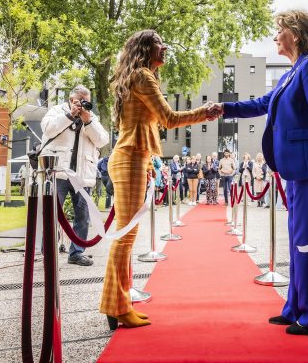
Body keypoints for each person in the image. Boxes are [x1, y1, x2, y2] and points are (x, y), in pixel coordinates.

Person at [208, 10, 308, 336]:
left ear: (294, 34)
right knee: (298, 242)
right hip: (294, 170)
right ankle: (294, 308)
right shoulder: (289, 74)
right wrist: (224, 108)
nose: (274, 37)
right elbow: (261, 103)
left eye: (279, 30)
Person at [100, 29, 218, 330]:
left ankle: (121, 303)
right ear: (145, 48)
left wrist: (148, 162)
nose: (164, 47)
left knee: (126, 235)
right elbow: (169, 119)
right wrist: (204, 112)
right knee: (125, 235)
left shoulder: (138, 76)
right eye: (158, 43)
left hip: (134, 157)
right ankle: (116, 306)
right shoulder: (142, 76)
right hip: (129, 157)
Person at [40, 85, 110, 266]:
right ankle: (48, 250)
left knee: (83, 216)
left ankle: (77, 253)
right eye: (79, 101)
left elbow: (102, 140)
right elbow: (48, 129)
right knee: (53, 213)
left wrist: (88, 121)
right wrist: (69, 115)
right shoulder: (57, 111)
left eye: (86, 101)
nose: (82, 105)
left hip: (82, 174)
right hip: (59, 172)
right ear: (71, 99)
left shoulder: (91, 118)